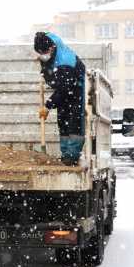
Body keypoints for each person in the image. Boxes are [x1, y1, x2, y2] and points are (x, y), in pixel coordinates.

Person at [34, 31, 86, 166]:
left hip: (76, 95)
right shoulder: (53, 53)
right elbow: (54, 82)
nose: (42, 55)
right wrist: (44, 66)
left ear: (51, 48)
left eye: (43, 52)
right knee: (63, 125)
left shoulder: (65, 61)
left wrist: (48, 106)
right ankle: (66, 157)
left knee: (74, 126)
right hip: (64, 96)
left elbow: (63, 88)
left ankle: (72, 157)